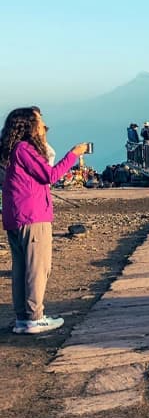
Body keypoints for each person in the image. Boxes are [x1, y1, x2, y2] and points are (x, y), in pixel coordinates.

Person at [1, 107, 89, 334]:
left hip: (15, 216)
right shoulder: (24, 149)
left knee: (22, 268)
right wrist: (73, 154)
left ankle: (23, 317)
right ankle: (35, 317)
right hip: (32, 215)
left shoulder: (11, 149)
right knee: (38, 268)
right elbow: (49, 175)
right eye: (39, 122)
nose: (43, 126)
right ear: (29, 125)